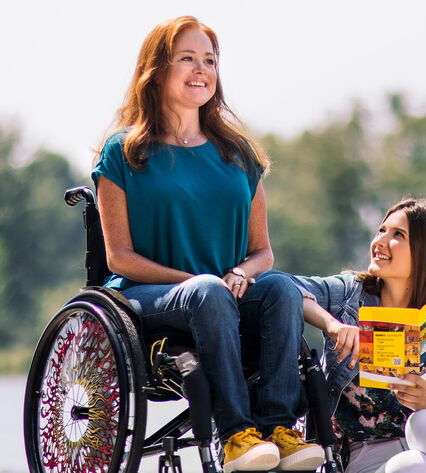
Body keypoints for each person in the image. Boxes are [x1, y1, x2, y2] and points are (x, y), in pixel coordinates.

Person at [91, 16, 323, 473]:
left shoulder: (238, 154)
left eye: (210, 61)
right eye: (187, 59)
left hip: (226, 292)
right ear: (156, 71)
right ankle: (235, 434)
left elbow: (263, 252)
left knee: (277, 287)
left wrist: (241, 274)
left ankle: (278, 428)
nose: (202, 70)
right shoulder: (123, 153)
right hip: (149, 296)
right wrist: (199, 282)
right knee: (208, 293)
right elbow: (119, 257)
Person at [282, 198, 426, 473]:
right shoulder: (350, 295)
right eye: (381, 230)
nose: (379, 241)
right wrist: (332, 325)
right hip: (360, 457)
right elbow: (283, 288)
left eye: (398, 235)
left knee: (424, 422)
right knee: (409, 468)